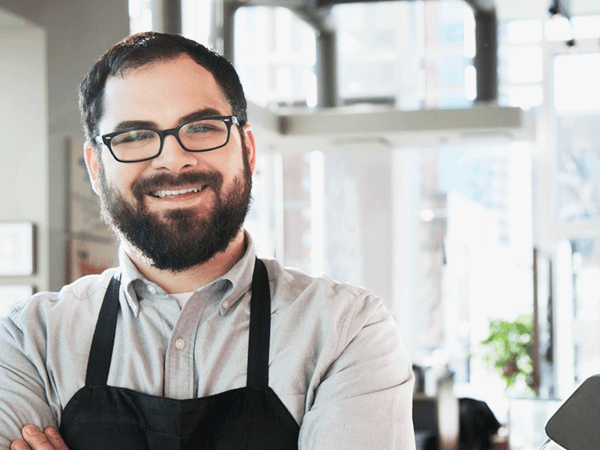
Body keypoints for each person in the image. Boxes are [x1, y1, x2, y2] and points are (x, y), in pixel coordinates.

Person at [0, 32, 415, 450]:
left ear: (248, 149)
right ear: (95, 168)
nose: (172, 158)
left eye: (200, 127)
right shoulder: (30, 340)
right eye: (135, 136)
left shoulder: (346, 331)